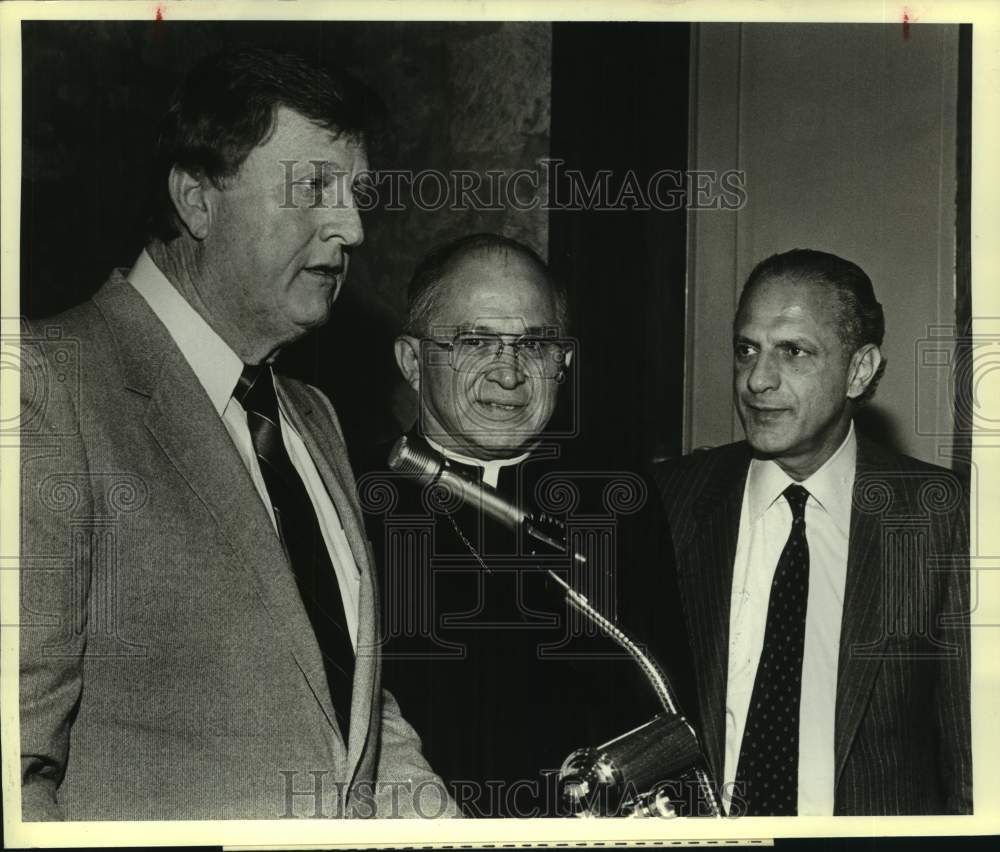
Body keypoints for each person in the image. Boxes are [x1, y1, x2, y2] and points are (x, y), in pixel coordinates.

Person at [19, 47, 454, 821]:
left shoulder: (312, 417)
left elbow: (342, 709)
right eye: (313, 187)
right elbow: (17, 766)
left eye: (355, 194)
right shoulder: (48, 384)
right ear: (197, 199)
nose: (352, 227)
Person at [353, 233, 695, 817]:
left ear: (563, 363)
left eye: (534, 345)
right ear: (412, 362)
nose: (508, 374)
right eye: (475, 342)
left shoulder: (616, 501)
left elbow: (667, 708)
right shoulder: (352, 495)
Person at [652, 248, 971, 816]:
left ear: (859, 370)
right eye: (746, 350)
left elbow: (972, 765)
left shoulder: (938, 515)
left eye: (793, 352)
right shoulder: (670, 500)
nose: (757, 380)